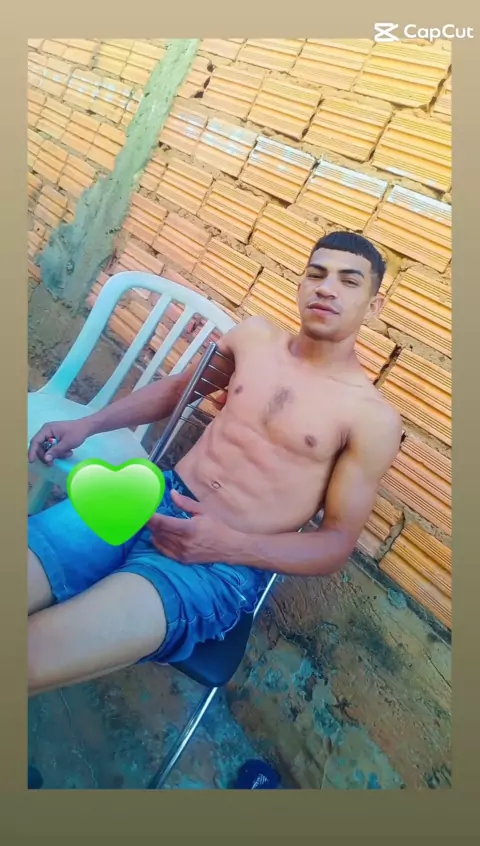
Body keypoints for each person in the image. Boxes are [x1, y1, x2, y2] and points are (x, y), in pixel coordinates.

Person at [27, 231, 402, 696]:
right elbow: (177, 390)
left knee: (31, 655)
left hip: (220, 562)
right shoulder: (254, 338)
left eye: (349, 281)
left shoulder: (372, 419)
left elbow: (336, 544)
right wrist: (88, 423)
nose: (327, 288)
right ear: (302, 283)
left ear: (374, 306)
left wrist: (232, 545)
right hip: (148, 498)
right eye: (316, 274)